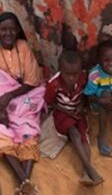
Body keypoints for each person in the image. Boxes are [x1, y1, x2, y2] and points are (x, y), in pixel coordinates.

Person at [0, 12, 45, 195]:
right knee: (0, 132)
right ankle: (24, 181)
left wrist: (9, 96)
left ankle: (24, 182)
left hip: (22, 96)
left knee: (28, 132)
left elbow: (32, 81)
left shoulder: (23, 47)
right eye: (4, 29)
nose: (8, 33)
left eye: (12, 29)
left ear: (18, 31)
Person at [44, 51, 103, 186]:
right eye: (67, 74)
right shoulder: (53, 84)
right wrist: (67, 112)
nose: (72, 78)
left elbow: (85, 95)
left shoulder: (83, 78)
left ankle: (86, 173)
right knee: (74, 133)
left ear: (80, 70)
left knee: (84, 137)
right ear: (60, 70)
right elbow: (51, 103)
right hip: (62, 112)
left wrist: (81, 106)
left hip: (78, 111)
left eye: (75, 74)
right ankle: (90, 170)